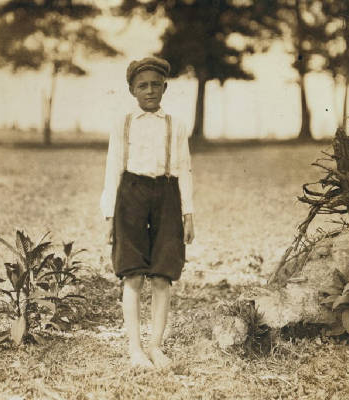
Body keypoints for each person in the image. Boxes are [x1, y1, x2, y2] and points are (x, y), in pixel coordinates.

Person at [100, 56, 195, 369]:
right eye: (143, 85)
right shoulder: (122, 123)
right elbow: (113, 168)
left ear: (165, 87)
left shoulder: (176, 125)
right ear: (132, 90)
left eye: (156, 84)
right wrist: (109, 216)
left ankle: (155, 344)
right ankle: (135, 348)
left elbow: (184, 169)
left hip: (167, 194)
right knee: (133, 273)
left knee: (163, 274)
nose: (150, 90)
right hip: (130, 194)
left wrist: (188, 213)